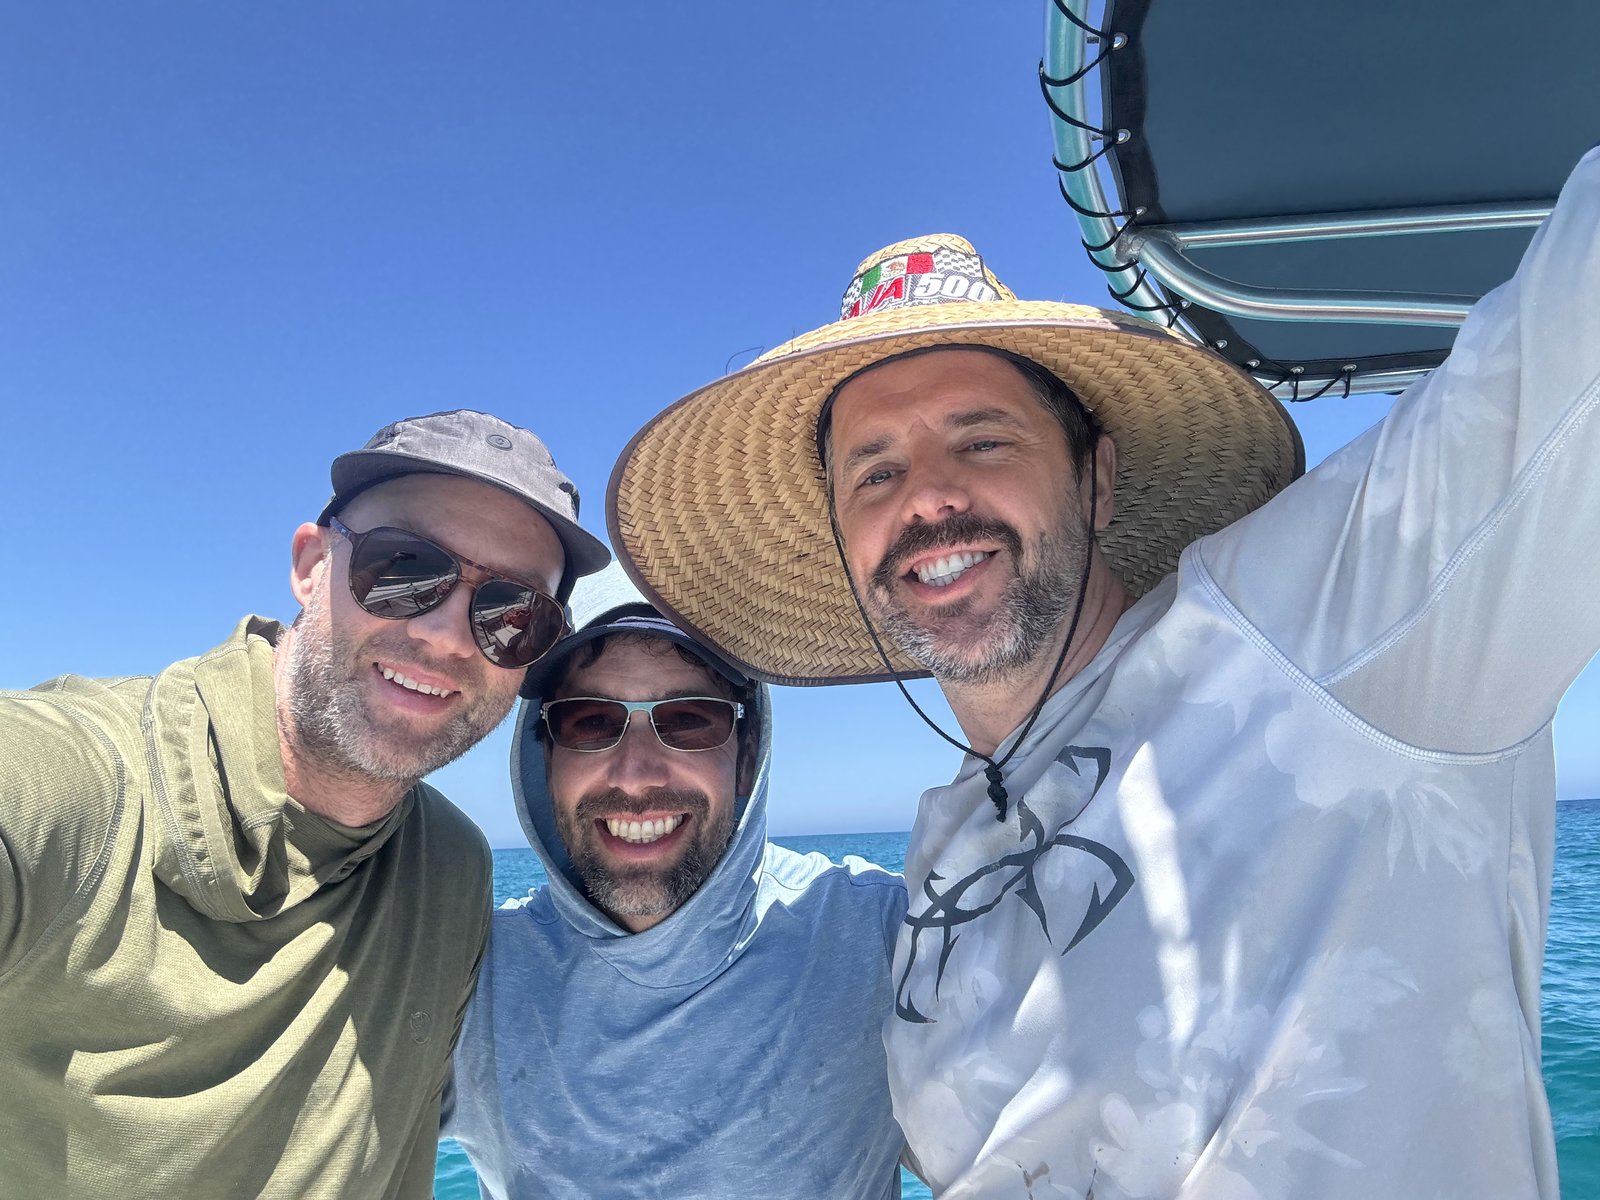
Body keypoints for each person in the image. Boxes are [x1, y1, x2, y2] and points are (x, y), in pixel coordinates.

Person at [606, 151, 1600, 1198]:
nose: (929, 498)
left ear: (1097, 478)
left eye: (982, 440)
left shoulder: (1307, 633)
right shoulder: (943, 840)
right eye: (876, 472)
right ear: (847, 538)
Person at [0, 409, 609, 1199]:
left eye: (512, 615)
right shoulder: (74, 787)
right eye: (405, 569)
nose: (452, 637)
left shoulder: (450, 868)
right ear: (311, 564)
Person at [444, 563, 908, 1199]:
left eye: (689, 719)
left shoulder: (882, 939)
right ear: (544, 758)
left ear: (747, 758)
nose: (635, 775)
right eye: (591, 722)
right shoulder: (473, 979)